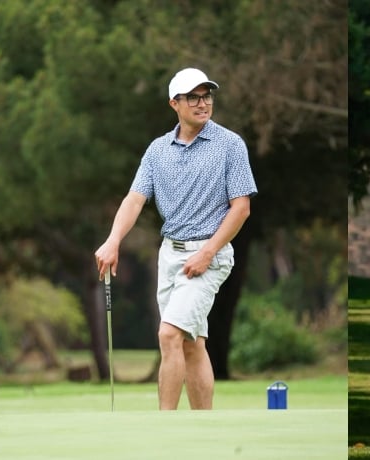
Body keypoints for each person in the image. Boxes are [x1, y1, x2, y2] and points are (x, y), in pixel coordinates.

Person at [94, 67, 257, 410]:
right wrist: (113, 241)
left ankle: (165, 427)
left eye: (207, 96)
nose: (203, 103)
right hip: (170, 257)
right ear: (175, 103)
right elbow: (134, 199)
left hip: (208, 257)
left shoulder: (230, 145)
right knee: (191, 344)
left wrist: (208, 252)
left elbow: (240, 208)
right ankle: (203, 426)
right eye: (193, 97)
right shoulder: (157, 151)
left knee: (169, 335)